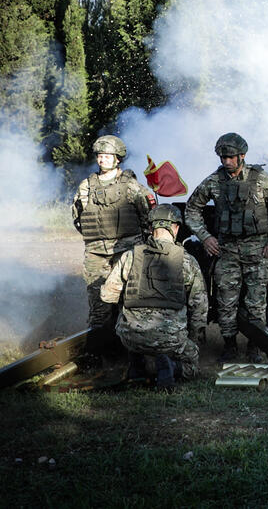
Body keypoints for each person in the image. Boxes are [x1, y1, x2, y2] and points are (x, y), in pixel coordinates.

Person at [185, 132, 268, 363]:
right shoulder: (214, 181)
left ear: (242, 156)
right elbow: (192, 209)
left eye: (231, 157)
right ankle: (229, 345)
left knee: (256, 304)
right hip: (227, 251)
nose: (227, 161)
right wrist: (205, 237)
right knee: (225, 302)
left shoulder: (261, 180)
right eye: (223, 157)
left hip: (258, 252)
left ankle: (254, 346)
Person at [100, 204, 207, 389]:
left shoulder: (130, 256)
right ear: (176, 228)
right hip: (170, 340)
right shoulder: (187, 261)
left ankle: (137, 361)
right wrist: (192, 339)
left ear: (151, 228)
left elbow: (107, 295)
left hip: (130, 336)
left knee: (132, 331)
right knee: (192, 366)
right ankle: (171, 366)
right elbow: (200, 308)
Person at [72, 135, 153, 365]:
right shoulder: (86, 186)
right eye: (100, 156)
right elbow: (78, 218)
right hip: (96, 253)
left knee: (128, 300)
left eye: (108, 156)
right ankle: (100, 354)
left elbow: (146, 215)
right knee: (98, 304)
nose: (103, 160)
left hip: (126, 252)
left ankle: (132, 354)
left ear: (117, 159)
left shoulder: (131, 186)